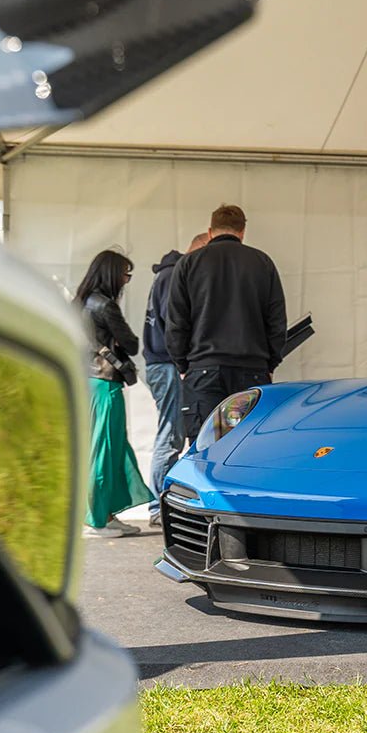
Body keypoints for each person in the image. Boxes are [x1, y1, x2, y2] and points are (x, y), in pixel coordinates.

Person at [166, 205, 287, 440]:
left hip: (204, 370)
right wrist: (270, 363)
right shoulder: (262, 263)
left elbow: (175, 323)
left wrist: (183, 365)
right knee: (245, 446)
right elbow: (276, 321)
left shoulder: (188, 264)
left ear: (210, 231)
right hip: (251, 371)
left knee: (207, 445)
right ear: (242, 231)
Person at [76, 250, 153, 537]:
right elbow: (131, 345)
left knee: (108, 449)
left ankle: (105, 514)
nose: (126, 280)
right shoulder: (105, 306)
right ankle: (95, 520)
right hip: (105, 383)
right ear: (112, 274)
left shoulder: (80, 303)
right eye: (125, 274)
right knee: (106, 451)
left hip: (88, 382)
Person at [142, 233, 208, 527]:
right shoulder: (175, 275)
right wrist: (185, 361)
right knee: (171, 435)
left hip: (162, 364)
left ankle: (162, 504)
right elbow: (175, 325)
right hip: (167, 365)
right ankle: (158, 506)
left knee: (173, 433)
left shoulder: (168, 274)